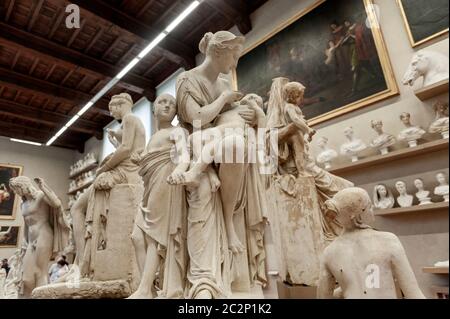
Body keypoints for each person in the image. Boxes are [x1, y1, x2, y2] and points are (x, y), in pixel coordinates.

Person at [175, 31, 268, 298]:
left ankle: (231, 232)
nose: (235, 63)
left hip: (227, 147)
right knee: (234, 147)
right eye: (234, 56)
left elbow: (233, 117)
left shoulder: (226, 81)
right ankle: (206, 282)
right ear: (218, 52)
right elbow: (197, 119)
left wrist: (253, 114)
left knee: (239, 147)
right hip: (199, 143)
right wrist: (225, 101)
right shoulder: (187, 79)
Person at [128, 94, 188, 299]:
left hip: (166, 181)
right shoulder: (154, 136)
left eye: (172, 104)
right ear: (154, 109)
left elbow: (184, 156)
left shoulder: (177, 131)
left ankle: (144, 289)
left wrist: (180, 170)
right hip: (150, 186)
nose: (167, 106)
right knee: (136, 237)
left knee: (154, 237)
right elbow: (150, 160)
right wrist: (140, 160)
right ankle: (150, 289)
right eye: (163, 102)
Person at [318, 187, 425, 299]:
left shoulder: (329, 252)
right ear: (358, 214)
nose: (372, 208)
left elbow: (323, 296)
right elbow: (413, 294)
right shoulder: (388, 240)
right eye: (369, 205)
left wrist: (347, 288)